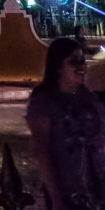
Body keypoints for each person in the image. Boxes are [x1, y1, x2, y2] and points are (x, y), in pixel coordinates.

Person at [27, 36, 105, 209]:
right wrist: (56, 197)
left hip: (98, 186)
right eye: (73, 62)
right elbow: (42, 150)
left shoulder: (88, 97)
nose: (81, 67)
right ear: (58, 67)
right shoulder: (44, 101)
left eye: (83, 61)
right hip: (69, 190)